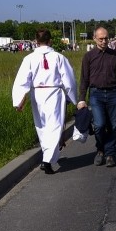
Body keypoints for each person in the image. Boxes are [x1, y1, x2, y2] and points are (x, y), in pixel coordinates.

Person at [11, 29, 78, 174]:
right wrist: (73, 97)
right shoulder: (59, 57)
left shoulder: (29, 59)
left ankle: (47, 157)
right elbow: (69, 79)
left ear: (36, 41)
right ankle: (47, 160)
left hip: (38, 94)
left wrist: (18, 99)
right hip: (54, 93)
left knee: (42, 126)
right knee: (54, 126)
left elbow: (22, 80)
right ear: (50, 41)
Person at [79, 26, 116, 168]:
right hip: (96, 94)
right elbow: (84, 79)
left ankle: (110, 154)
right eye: (100, 38)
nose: (103, 41)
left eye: (106, 38)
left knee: (112, 126)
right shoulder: (88, 57)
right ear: (94, 38)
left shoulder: (115, 55)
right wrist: (82, 99)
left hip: (113, 93)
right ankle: (100, 149)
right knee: (99, 125)